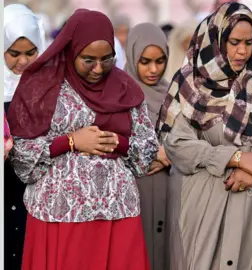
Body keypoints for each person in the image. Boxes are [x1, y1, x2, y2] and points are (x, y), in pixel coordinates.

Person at [7, 9, 158, 270]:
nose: (98, 69)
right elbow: (21, 153)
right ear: (70, 50)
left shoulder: (125, 89)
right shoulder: (42, 87)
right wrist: (70, 142)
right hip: (59, 213)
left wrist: (119, 143)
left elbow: (147, 150)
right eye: (88, 60)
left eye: (107, 59)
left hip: (116, 210)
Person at [157, 3, 252, 269]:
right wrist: (235, 158)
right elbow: (178, 144)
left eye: (248, 42)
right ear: (218, 38)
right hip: (207, 206)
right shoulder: (192, 82)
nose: (242, 51)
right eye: (234, 42)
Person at [124, 22, 171, 270]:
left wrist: (169, 155)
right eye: (145, 62)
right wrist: (153, 155)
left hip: (170, 190)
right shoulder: (118, 93)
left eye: (160, 61)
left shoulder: (175, 95)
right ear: (132, 56)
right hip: (133, 192)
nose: (154, 69)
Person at [3, 4, 46, 269]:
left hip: (34, 189)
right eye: (14, 53)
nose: (23, 61)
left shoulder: (48, 86)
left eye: (31, 53)